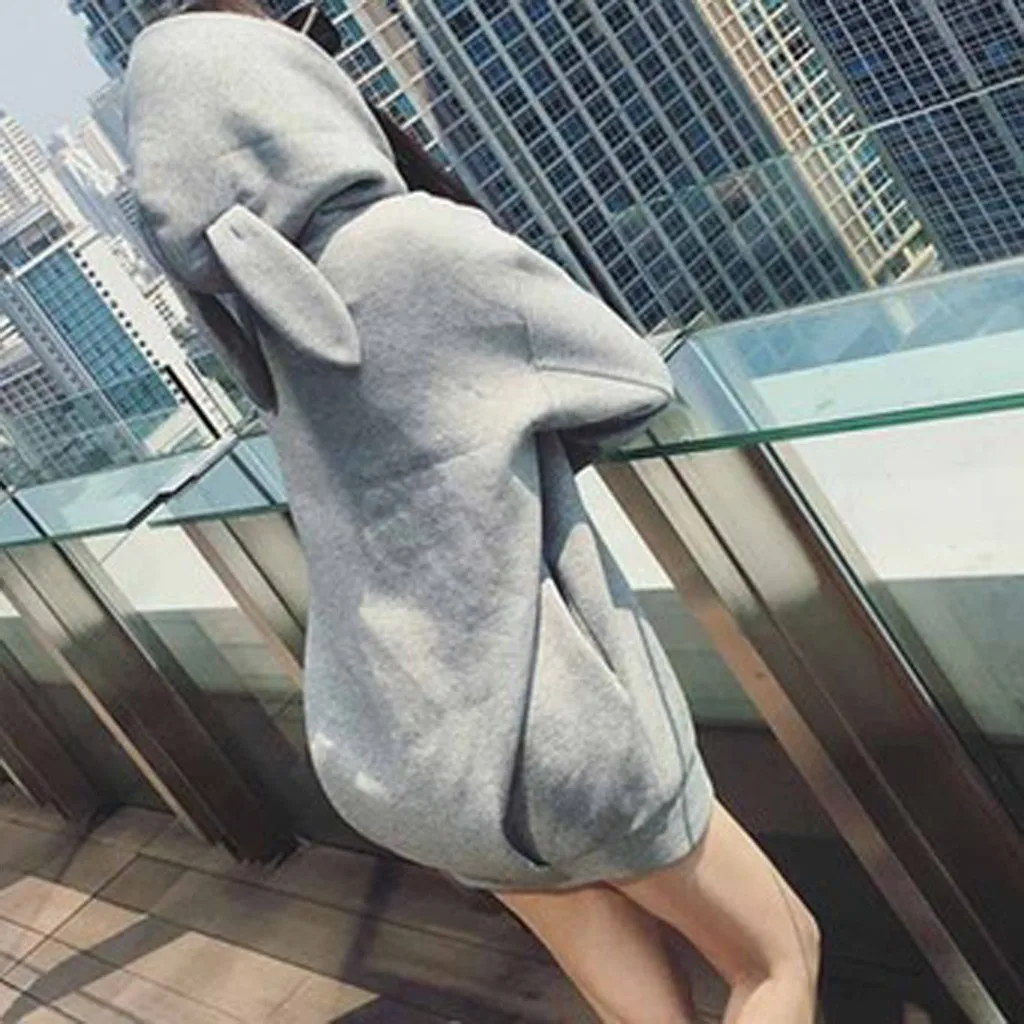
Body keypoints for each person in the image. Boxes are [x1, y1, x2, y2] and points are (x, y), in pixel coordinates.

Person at [125, 3, 820, 1020]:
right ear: (285, 87)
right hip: (549, 728)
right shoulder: (415, 244)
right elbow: (631, 379)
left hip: (409, 754)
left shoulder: (264, 315)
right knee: (780, 958)